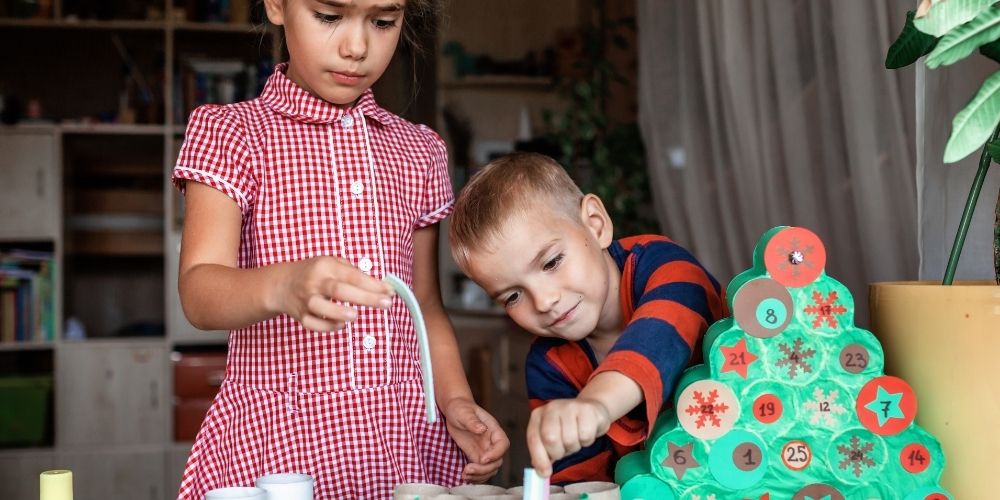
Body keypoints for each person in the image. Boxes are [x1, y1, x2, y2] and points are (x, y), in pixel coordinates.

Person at [171, 0, 508, 498]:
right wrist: (282, 285)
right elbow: (199, 289)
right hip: (276, 448)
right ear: (276, 6)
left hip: (402, 442)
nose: (357, 48)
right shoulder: (233, 134)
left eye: (383, 21)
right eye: (329, 17)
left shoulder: (420, 150)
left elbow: (425, 308)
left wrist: (455, 400)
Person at [449, 152, 726, 483]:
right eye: (513, 296)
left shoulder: (669, 269)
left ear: (596, 224)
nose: (544, 300)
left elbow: (657, 341)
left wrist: (594, 404)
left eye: (551, 263)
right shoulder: (548, 364)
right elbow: (580, 482)